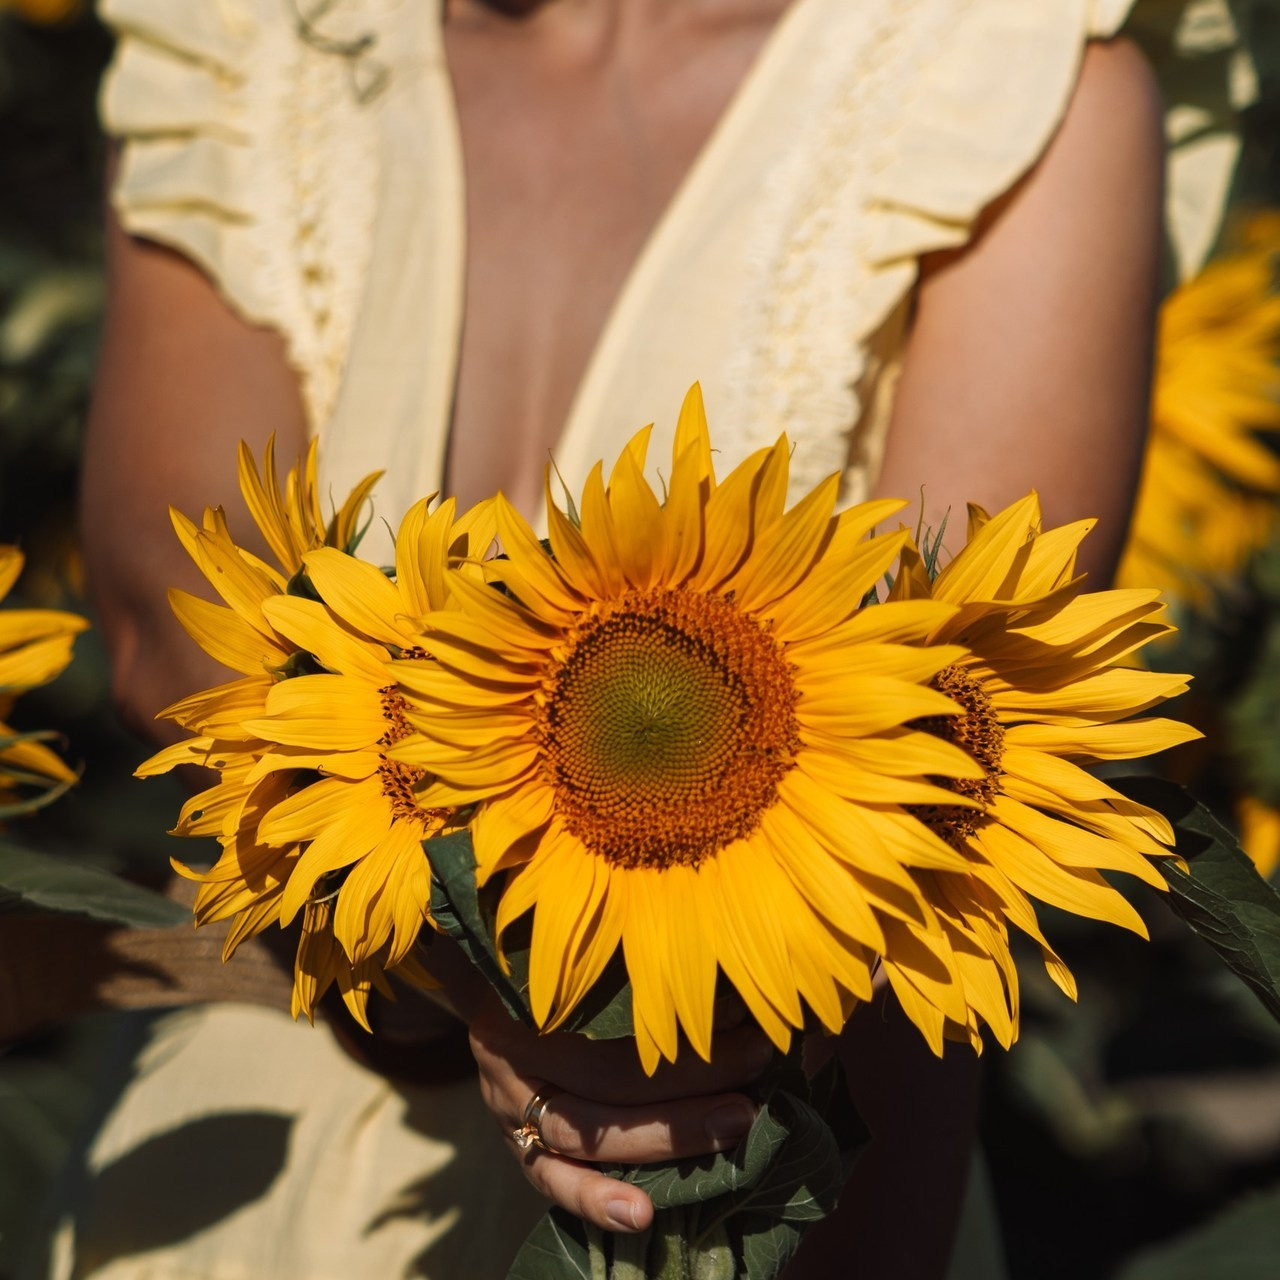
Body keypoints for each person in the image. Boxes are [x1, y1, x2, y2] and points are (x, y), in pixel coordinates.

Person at [51, 0, 1237, 1275]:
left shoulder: (1011, 69)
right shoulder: (255, 31)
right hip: (240, 1158)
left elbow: (948, 775)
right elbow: (172, 621)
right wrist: (480, 987)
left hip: (766, 1163)